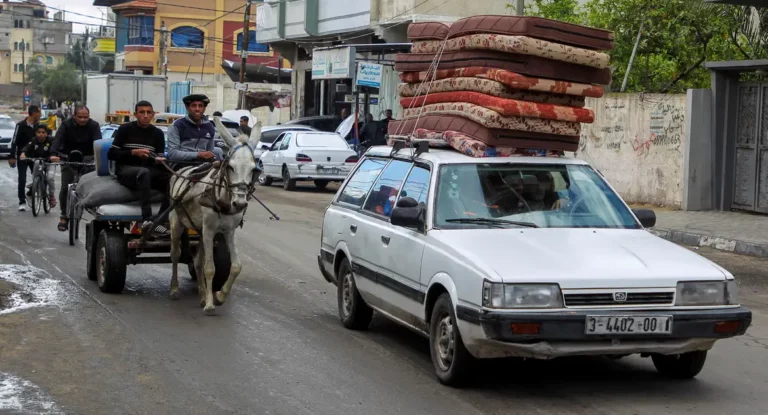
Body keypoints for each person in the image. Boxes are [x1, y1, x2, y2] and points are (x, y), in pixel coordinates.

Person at [108, 101, 171, 235]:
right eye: (142, 112)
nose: (146, 116)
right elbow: (112, 154)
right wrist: (133, 152)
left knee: (172, 179)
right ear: (135, 114)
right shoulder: (125, 129)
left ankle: (160, 221)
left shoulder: (158, 133)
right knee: (144, 172)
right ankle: (146, 219)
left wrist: (159, 161)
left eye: (149, 113)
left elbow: (158, 158)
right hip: (126, 170)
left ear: (153, 115)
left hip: (148, 170)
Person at [50, 105, 101, 232]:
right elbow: (58, 140)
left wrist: (99, 157)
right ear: (74, 116)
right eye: (80, 117)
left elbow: (98, 142)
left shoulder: (94, 126)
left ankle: (93, 211)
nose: (83, 120)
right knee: (65, 187)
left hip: (87, 160)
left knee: (91, 187)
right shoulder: (66, 125)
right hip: (68, 158)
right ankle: (63, 216)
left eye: (86, 117)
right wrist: (53, 154)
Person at [166, 94, 222, 169]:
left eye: (200, 106)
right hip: (181, 165)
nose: (197, 109)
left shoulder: (210, 127)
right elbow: (173, 154)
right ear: (187, 108)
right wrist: (198, 154)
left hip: (203, 165)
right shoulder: (177, 126)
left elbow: (210, 151)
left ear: (204, 108)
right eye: (193, 106)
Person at [8, 105, 42, 211]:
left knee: (39, 177)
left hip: (35, 156)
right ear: (33, 113)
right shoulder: (21, 125)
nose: (40, 115)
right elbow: (14, 141)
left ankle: (29, 193)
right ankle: (21, 202)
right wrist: (12, 156)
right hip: (22, 156)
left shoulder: (38, 126)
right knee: (22, 179)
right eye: (39, 113)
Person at [19, 124, 56, 208]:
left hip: (50, 162)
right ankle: (35, 182)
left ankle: (52, 196)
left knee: (50, 178)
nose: (41, 134)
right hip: (38, 161)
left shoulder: (51, 140)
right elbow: (27, 147)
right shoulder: (33, 140)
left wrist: (55, 156)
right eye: (38, 132)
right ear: (35, 133)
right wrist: (23, 153)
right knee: (36, 163)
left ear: (47, 133)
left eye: (43, 132)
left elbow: (56, 148)